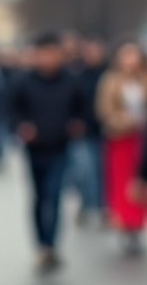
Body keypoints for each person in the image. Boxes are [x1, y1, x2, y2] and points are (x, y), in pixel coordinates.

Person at [11, 33, 85, 272]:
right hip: (35, 149)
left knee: (54, 195)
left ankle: (51, 246)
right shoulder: (24, 81)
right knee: (38, 196)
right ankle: (41, 244)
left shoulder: (70, 80)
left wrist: (77, 124)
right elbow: (12, 110)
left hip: (60, 146)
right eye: (44, 53)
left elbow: (83, 109)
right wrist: (21, 127)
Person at [95, 42, 147, 254]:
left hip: (142, 137)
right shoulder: (110, 81)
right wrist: (125, 121)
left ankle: (137, 223)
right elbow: (104, 109)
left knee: (140, 179)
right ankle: (125, 224)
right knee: (122, 181)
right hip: (120, 138)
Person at [70, 37, 108, 224]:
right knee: (83, 172)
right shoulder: (78, 75)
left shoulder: (108, 74)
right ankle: (86, 204)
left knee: (102, 171)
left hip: (106, 131)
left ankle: (102, 207)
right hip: (84, 131)